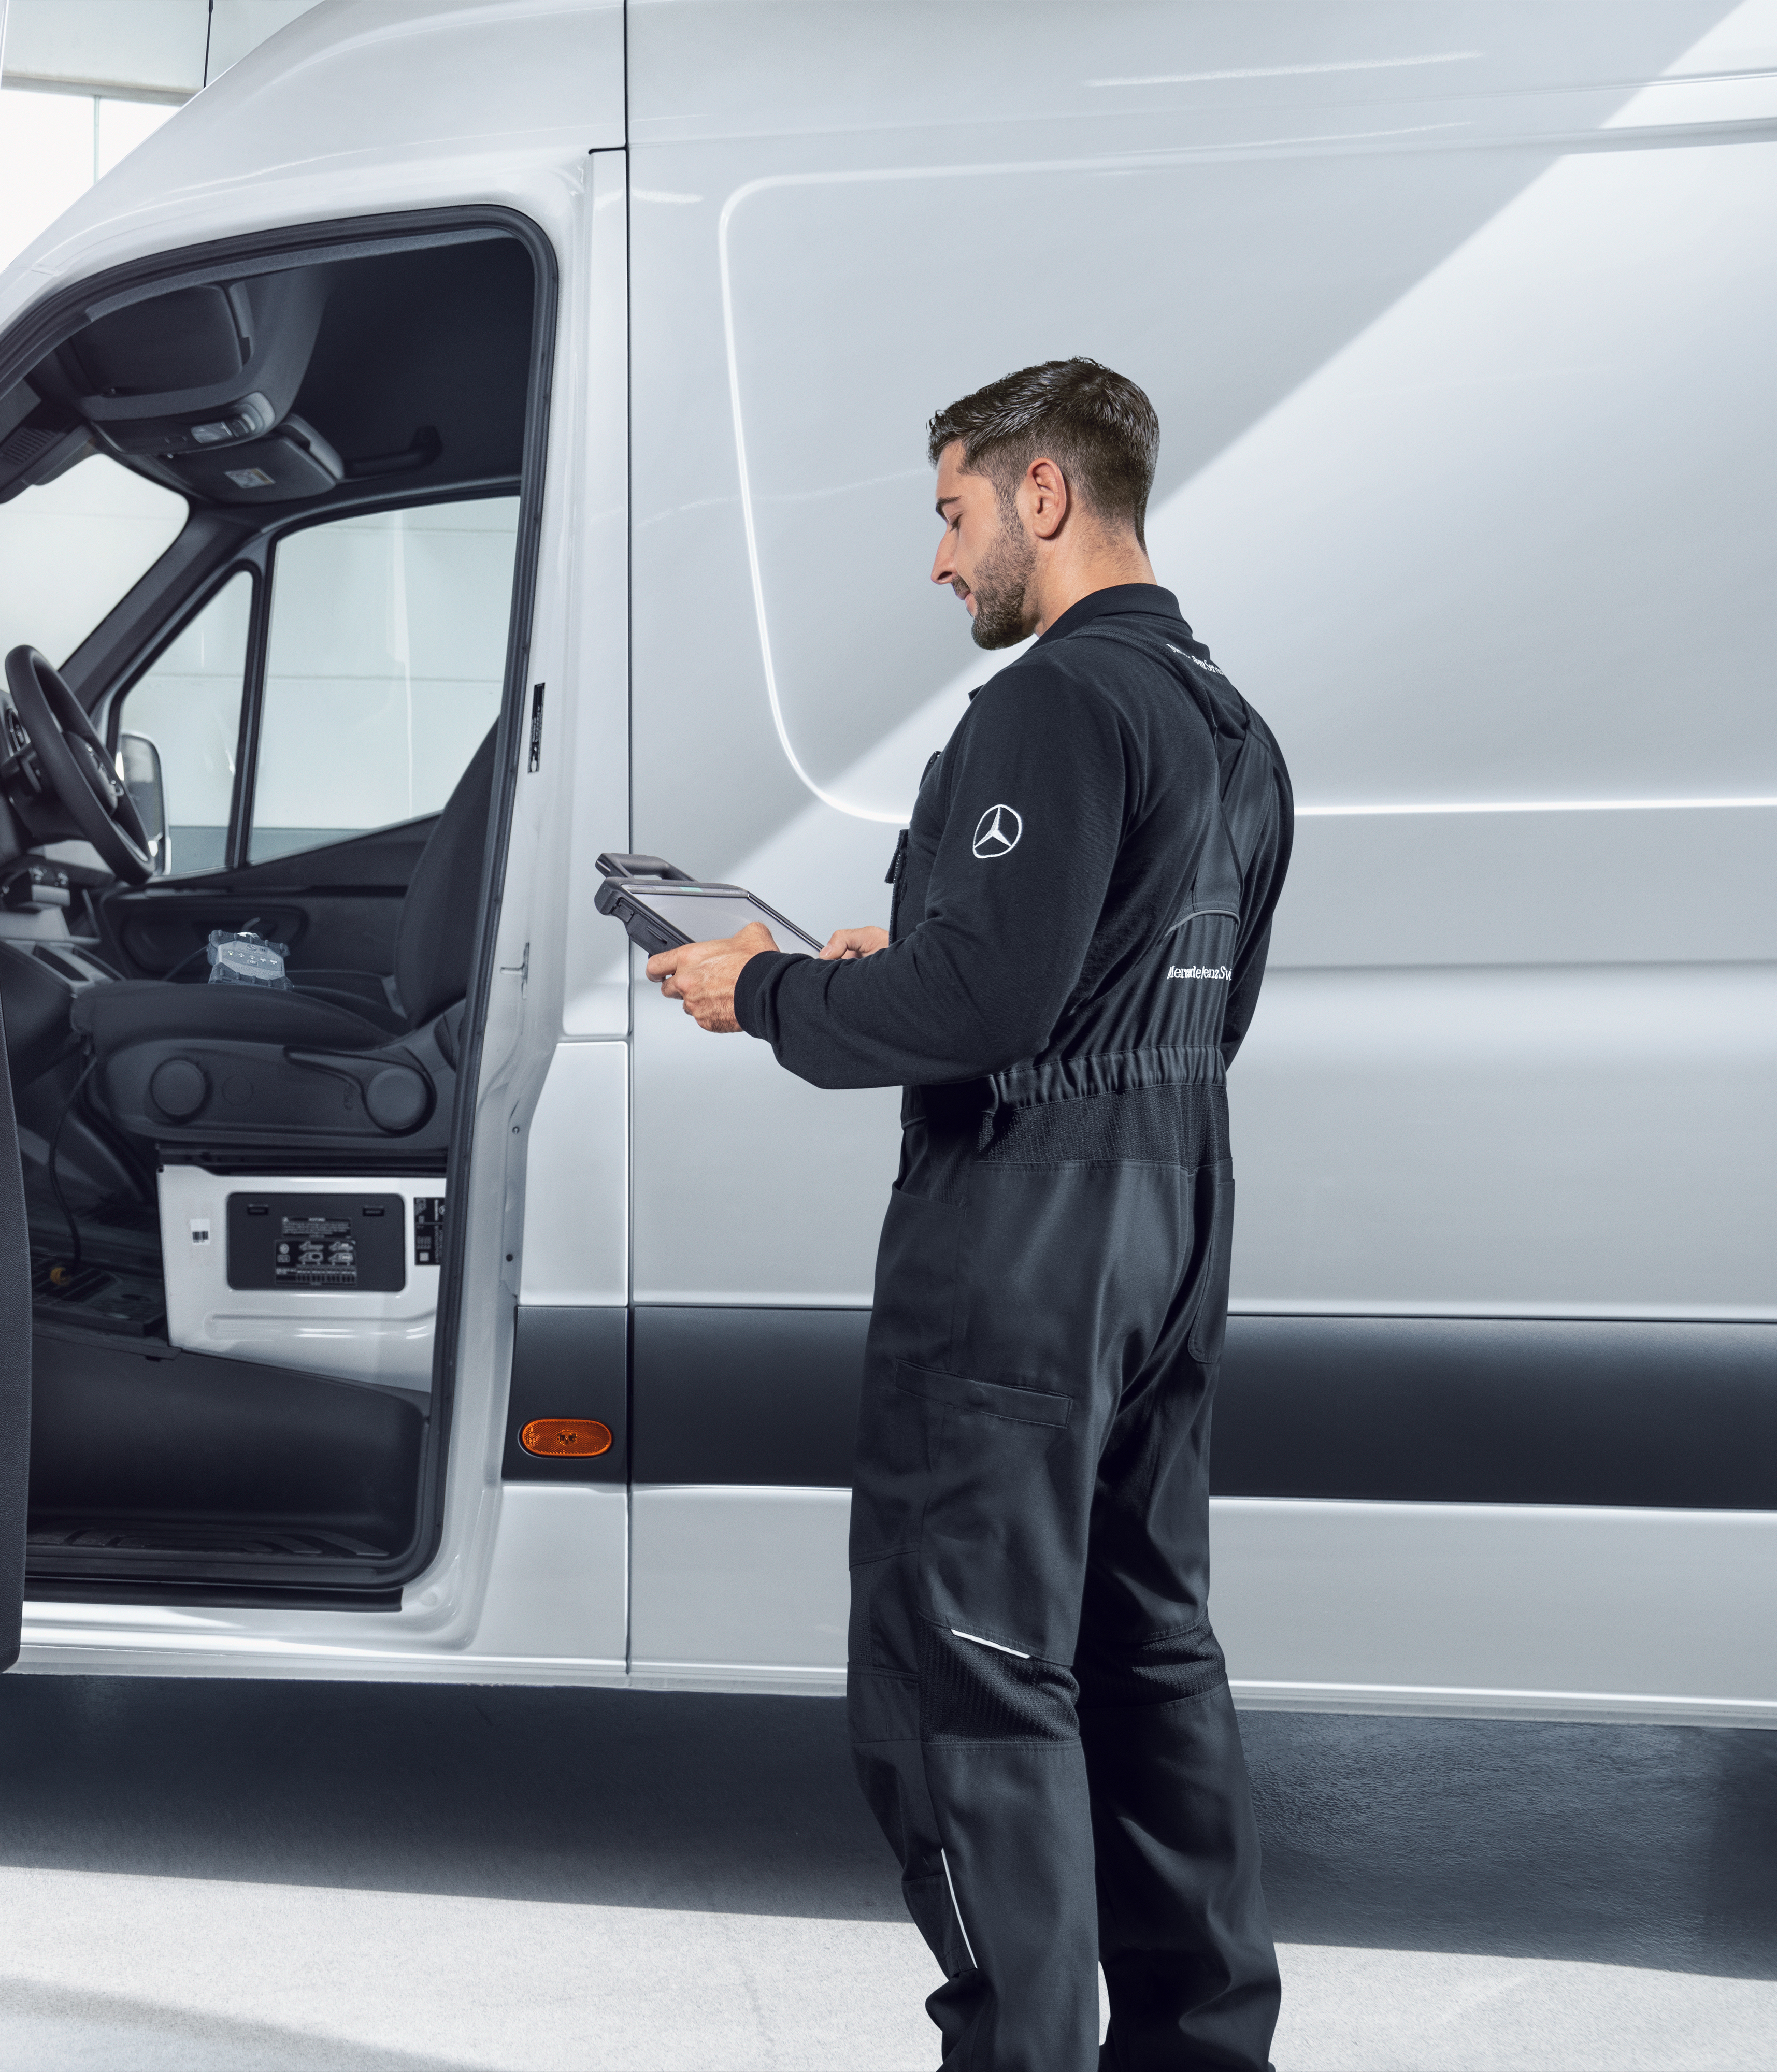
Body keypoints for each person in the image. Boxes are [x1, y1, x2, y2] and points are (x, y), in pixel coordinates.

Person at [649, 360, 1294, 2070]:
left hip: (1024, 1232)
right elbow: (1149, 995)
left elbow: (989, 1019)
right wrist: (905, 965)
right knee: (1146, 1645)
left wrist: (770, 989)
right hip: (1175, 1203)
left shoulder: (1052, 705)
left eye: (952, 514)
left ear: (1045, 495)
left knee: (968, 1664)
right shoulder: (1230, 724)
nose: (942, 562)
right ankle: (1200, 2047)